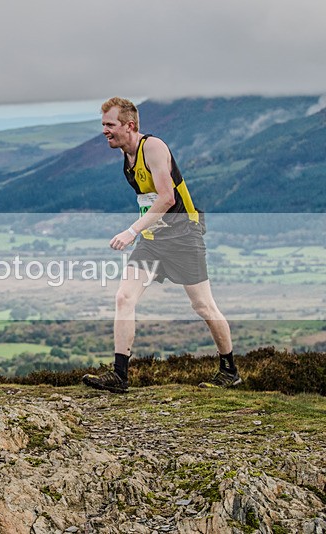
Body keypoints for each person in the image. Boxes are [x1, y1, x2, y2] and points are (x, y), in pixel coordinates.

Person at [82, 97, 240, 394]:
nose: (104, 130)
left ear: (129, 126)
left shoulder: (153, 148)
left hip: (183, 238)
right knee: (123, 298)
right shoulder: (127, 157)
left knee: (203, 306)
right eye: (103, 124)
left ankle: (229, 370)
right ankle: (119, 375)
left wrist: (131, 231)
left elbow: (167, 198)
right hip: (153, 241)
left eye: (109, 125)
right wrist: (142, 232)